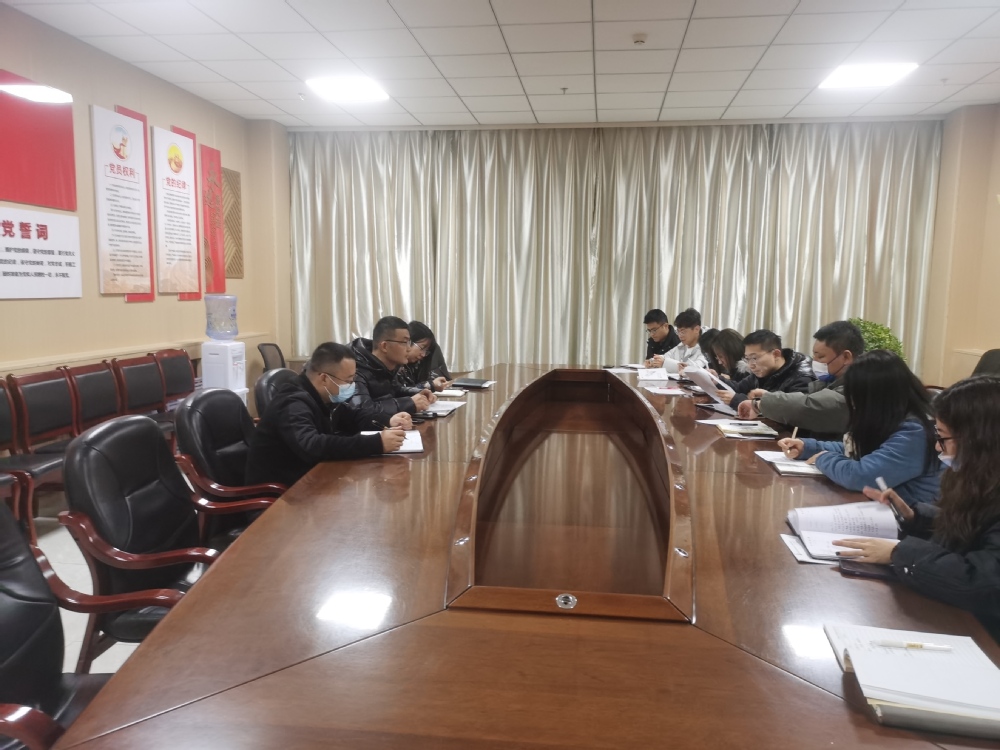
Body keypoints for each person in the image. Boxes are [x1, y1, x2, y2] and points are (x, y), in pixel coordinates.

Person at [832, 375, 1000, 642]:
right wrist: (915, 517)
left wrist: (899, 553)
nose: (937, 447)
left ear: (979, 439)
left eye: (943, 437)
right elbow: (976, 530)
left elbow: (983, 581)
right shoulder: (979, 477)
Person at [776, 350, 942, 506]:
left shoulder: (916, 432)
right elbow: (856, 449)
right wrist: (808, 447)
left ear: (876, 397)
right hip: (880, 507)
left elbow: (861, 476)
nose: (854, 404)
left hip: (909, 518)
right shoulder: (894, 419)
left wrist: (823, 458)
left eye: (857, 397)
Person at [246, 342, 410, 487]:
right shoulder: (292, 402)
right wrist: (376, 443)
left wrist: (389, 420)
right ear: (324, 378)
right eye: (348, 381)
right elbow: (312, 445)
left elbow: (354, 418)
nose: (352, 386)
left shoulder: (325, 397)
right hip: (280, 494)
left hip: (311, 480)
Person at [737, 320, 864, 436]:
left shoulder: (859, 386)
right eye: (814, 356)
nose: (814, 361)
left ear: (846, 357)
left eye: (820, 357)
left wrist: (760, 404)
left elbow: (809, 407)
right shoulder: (827, 381)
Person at [351, 316, 436, 421]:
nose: (409, 348)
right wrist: (410, 403)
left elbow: (395, 390)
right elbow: (363, 412)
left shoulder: (388, 367)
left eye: (409, 342)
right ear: (384, 346)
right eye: (404, 342)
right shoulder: (356, 369)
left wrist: (418, 393)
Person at [720, 329, 813, 409]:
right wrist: (716, 380)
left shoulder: (801, 376)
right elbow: (738, 388)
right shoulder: (763, 371)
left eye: (754, 358)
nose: (750, 365)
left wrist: (740, 401)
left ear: (776, 354)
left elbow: (794, 410)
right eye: (747, 359)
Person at [396, 320, 451, 392]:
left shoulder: (414, 365)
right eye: (422, 348)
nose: (423, 354)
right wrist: (431, 385)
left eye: (426, 351)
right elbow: (401, 392)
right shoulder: (395, 364)